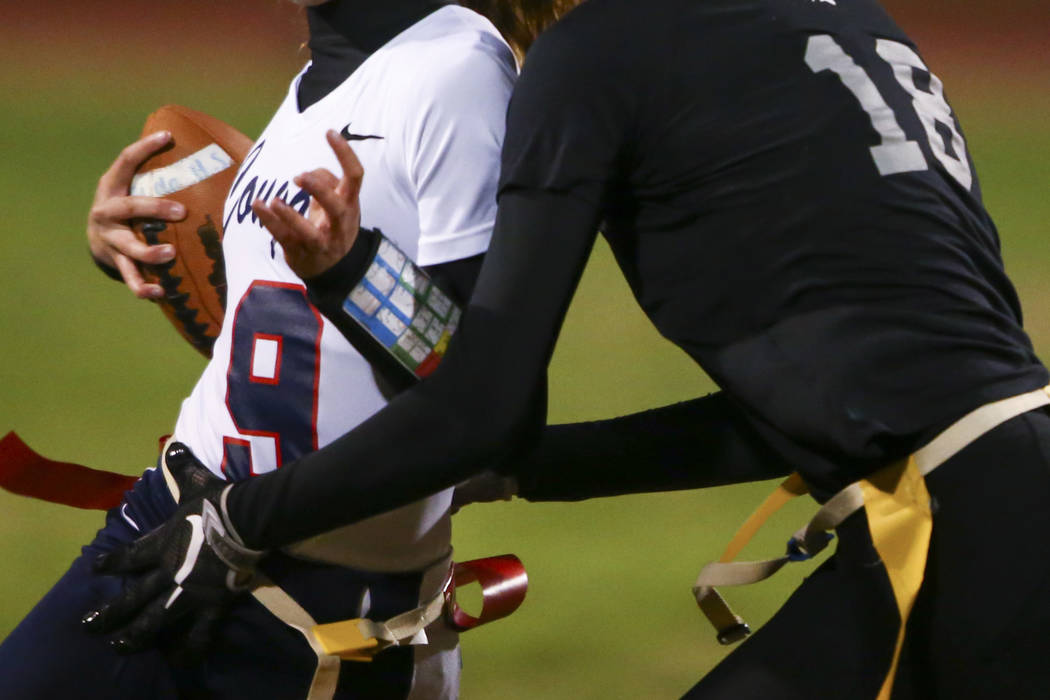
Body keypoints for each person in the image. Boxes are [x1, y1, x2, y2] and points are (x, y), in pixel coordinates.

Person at [87, 0, 1050, 698]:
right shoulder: (858, 27)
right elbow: (800, 416)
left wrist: (238, 523)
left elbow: (486, 401)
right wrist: (515, 463)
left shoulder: (599, 54)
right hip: (995, 489)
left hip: (955, 532)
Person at [0, 1, 570, 698]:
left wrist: (353, 275)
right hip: (176, 523)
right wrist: (139, 249)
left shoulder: (455, 73)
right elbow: (284, 332)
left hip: (321, 593)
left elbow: (489, 403)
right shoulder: (316, 80)